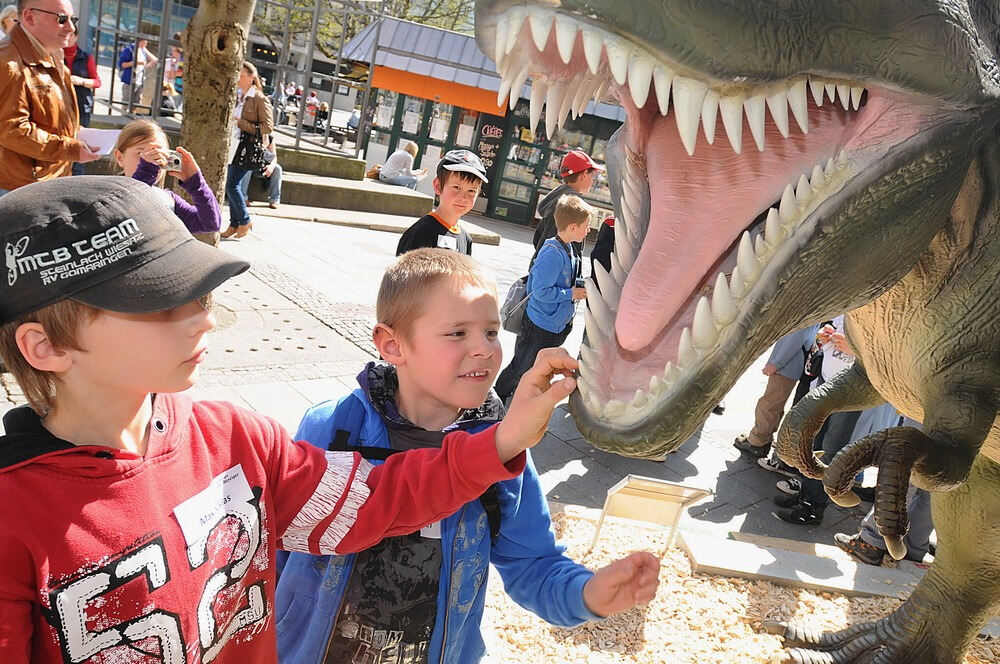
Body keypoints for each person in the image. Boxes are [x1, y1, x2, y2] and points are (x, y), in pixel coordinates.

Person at [0, 176, 580, 662]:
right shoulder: (15, 520)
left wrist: (500, 440)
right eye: (160, 301)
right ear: (46, 346)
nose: (205, 321)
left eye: (200, 294)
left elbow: (377, 499)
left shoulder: (237, 443)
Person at [274, 249, 660, 663]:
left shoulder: (505, 453)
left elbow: (534, 564)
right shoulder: (333, 428)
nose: (484, 349)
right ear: (393, 345)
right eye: (457, 333)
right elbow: (277, 547)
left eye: (492, 332)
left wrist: (588, 593)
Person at [496, 195, 592, 402]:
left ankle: (519, 399)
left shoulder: (569, 248)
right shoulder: (552, 253)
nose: (589, 230)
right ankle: (495, 398)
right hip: (540, 327)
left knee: (533, 368)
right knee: (521, 367)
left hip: (554, 325)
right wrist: (571, 294)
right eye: (587, 225)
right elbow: (540, 291)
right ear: (573, 227)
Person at [0, 0, 100, 193]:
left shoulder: (52, 54)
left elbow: (49, 117)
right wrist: (70, 148)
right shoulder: (7, 62)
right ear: (29, 17)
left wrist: (78, 135)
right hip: (17, 189)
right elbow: (11, 129)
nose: (71, 27)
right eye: (61, 19)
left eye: (73, 19)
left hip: (43, 183)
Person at [112, 119, 220, 235]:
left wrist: (196, 183)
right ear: (119, 157)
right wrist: (146, 170)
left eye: (160, 155)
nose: (153, 160)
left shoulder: (167, 200)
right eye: (141, 154)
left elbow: (210, 224)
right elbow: (128, 205)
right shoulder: (104, 193)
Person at [734, 324, 822, 459]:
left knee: (769, 404)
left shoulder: (805, 308)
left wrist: (776, 363)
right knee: (774, 404)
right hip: (791, 364)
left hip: (787, 365)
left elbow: (795, 339)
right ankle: (763, 439)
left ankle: (757, 442)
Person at [396, 149, 488, 256]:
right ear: (438, 186)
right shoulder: (421, 232)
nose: (463, 197)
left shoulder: (466, 240)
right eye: (457, 187)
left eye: (471, 191)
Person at [222, 61, 273, 240]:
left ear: (251, 77)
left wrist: (241, 122)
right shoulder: (237, 95)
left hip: (247, 147)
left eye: (241, 76)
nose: (238, 79)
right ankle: (234, 224)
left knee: (232, 185)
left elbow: (267, 127)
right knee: (230, 184)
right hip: (234, 145)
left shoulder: (259, 98)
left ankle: (244, 221)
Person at [530, 150, 604, 267]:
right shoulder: (572, 205)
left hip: (541, 266)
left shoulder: (557, 197)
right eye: (591, 176)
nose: (592, 181)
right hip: (558, 274)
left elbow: (538, 238)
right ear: (584, 175)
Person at [63, 28, 100, 176]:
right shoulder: (55, 53)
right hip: (63, 104)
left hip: (81, 104)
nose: (67, 37)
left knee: (82, 142)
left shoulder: (85, 57)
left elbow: (97, 82)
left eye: (71, 34)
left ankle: (77, 177)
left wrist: (81, 81)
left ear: (76, 36)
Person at [240, 133, 282, 209]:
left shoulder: (270, 138)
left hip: (263, 166)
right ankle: (243, 198)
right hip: (251, 164)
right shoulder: (251, 136)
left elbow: (274, 156)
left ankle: (274, 200)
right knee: (247, 168)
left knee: (277, 169)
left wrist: (271, 167)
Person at [118, 37, 157, 107]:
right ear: (139, 41)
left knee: (136, 102)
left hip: (139, 80)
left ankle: (132, 115)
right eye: (144, 43)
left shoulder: (142, 50)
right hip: (130, 79)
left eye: (146, 43)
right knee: (126, 101)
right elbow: (122, 64)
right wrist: (137, 63)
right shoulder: (129, 49)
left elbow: (155, 59)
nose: (145, 45)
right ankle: (123, 115)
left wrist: (145, 50)